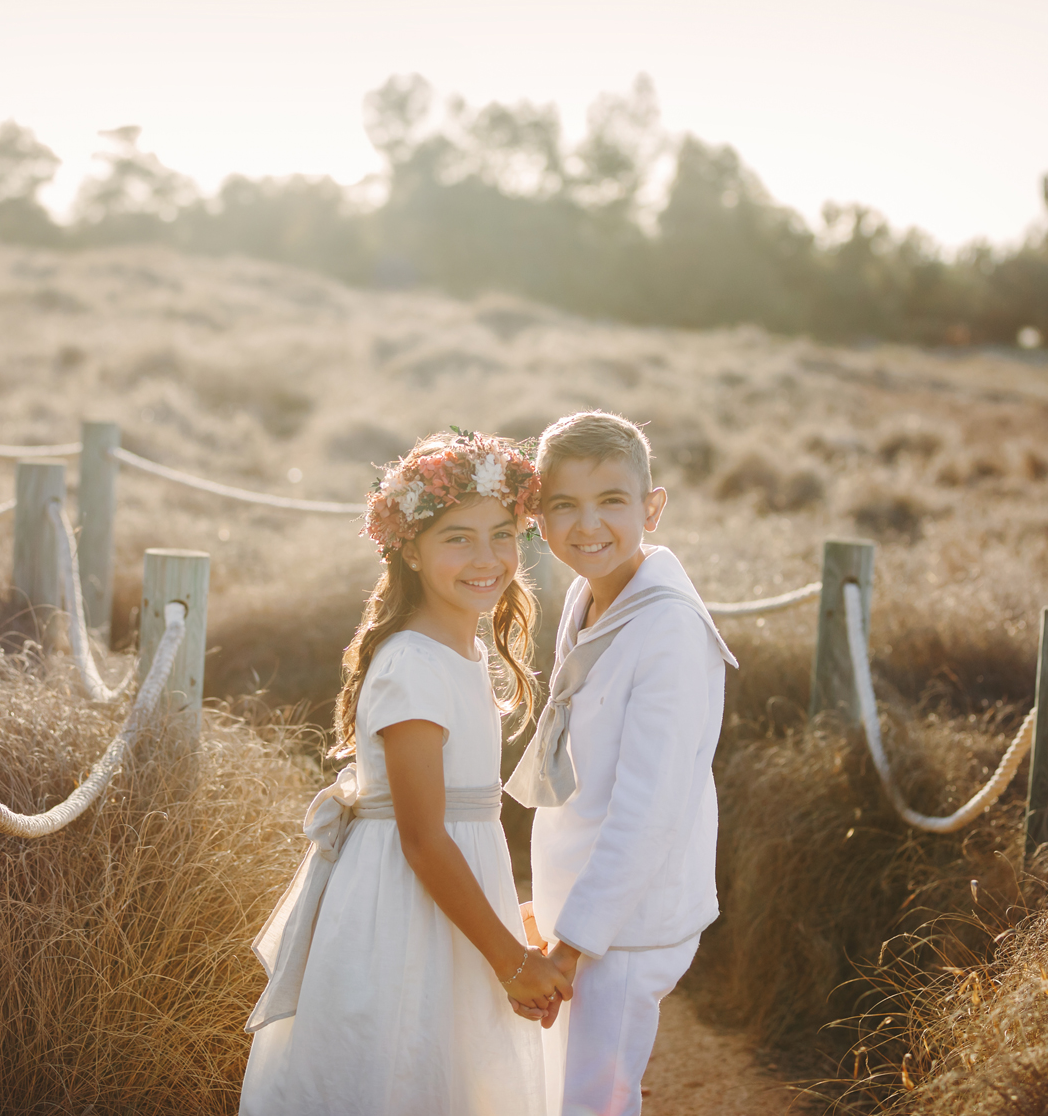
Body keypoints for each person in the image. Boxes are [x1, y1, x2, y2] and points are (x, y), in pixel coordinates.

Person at [239, 429, 571, 1116]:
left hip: (452, 902)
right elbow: (424, 839)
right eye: (458, 538)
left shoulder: (467, 649)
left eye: (503, 534)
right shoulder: (413, 663)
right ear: (410, 549)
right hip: (402, 908)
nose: (487, 558)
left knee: (448, 1073)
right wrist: (511, 960)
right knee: (398, 1069)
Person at [506, 411, 738, 1116]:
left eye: (612, 501)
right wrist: (551, 905)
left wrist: (572, 943)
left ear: (652, 507)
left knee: (593, 1101)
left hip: (625, 922)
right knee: (563, 1090)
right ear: (537, 517)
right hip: (584, 898)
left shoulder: (667, 629)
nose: (589, 525)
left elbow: (649, 808)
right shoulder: (589, 591)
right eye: (565, 505)